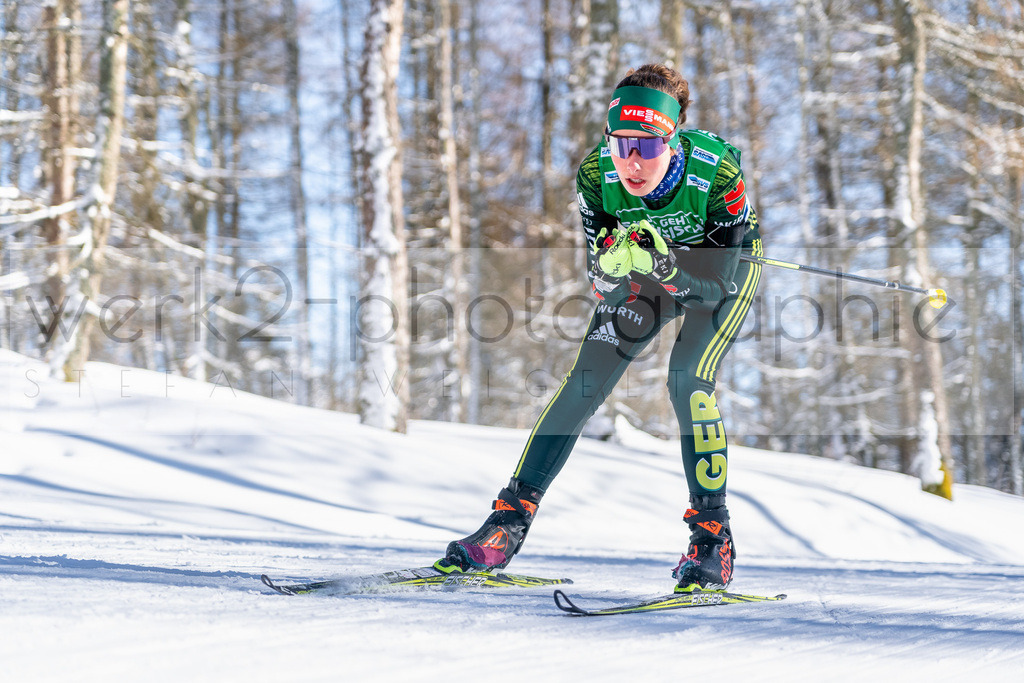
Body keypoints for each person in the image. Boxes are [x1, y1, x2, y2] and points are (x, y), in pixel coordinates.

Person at [438, 63, 764, 592]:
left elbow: (715, 287)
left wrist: (667, 269)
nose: (632, 163)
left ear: (673, 139)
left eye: (648, 147)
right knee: (584, 382)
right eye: (621, 145)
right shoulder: (596, 175)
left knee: (686, 379)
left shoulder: (718, 173)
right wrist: (615, 267)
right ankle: (506, 524)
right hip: (650, 269)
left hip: (717, 274)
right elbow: (603, 275)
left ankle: (711, 539)